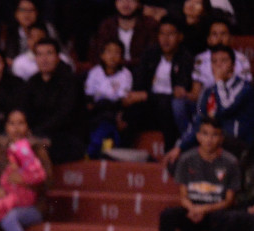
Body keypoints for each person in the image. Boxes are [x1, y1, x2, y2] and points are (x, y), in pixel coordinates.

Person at [164, 45, 254, 165]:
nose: (218, 65)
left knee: (212, 142)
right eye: (214, 61)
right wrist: (179, 147)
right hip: (213, 142)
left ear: (233, 66)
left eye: (224, 60)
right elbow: (199, 119)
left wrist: (219, 82)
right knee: (176, 161)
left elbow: (226, 107)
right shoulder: (207, 92)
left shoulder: (244, 88)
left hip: (237, 143)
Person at [159, 116, 240, 231]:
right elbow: (183, 196)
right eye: (205, 134)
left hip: (215, 213)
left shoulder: (231, 162)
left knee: (227, 219)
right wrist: (194, 209)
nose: (209, 139)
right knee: (167, 215)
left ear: (221, 138)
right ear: (198, 136)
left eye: (214, 135)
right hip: (192, 211)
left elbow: (228, 201)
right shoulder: (186, 159)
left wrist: (204, 209)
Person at [0, 109, 52, 231]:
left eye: (20, 123)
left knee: (9, 218)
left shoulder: (37, 149)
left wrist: (25, 181)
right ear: (6, 127)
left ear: (27, 126)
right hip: (5, 200)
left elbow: (48, 182)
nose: (16, 128)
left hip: (33, 206)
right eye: (12, 123)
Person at [124, 15, 195, 149]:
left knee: (165, 105)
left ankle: (169, 152)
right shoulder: (150, 53)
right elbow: (139, 85)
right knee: (131, 109)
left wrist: (146, 96)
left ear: (180, 37)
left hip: (169, 108)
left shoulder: (186, 58)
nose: (165, 39)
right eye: (162, 34)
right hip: (150, 106)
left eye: (171, 34)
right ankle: (124, 151)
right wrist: (141, 96)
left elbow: (178, 94)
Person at [20, 37, 85, 164]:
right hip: (37, 135)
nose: (44, 59)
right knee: (8, 143)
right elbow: (24, 110)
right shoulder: (32, 83)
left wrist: (37, 132)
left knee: (40, 148)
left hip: (66, 139)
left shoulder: (70, 82)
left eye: (49, 53)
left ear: (58, 57)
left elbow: (65, 115)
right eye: (39, 54)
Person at [84, 39, 133, 157]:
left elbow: (123, 100)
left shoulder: (126, 74)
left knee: (109, 116)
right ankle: (103, 146)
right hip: (97, 110)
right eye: (109, 52)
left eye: (117, 53)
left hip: (115, 110)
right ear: (102, 55)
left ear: (122, 57)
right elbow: (89, 98)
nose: (113, 56)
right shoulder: (95, 72)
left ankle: (94, 150)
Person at [189, 17, 252, 103]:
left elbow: (246, 89)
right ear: (209, 40)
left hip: (235, 103)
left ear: (231, 38)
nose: (219, 38)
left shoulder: (241, 59)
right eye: (214, 34)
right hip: (206, 103)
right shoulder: (200, 59)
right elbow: (196, 91)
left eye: (223, 34)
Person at [88, 0, 158, 67]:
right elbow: (98, 54)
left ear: (139, 3)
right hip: (111, 72)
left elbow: (151, 56)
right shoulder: (107, 25)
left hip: (141, 72)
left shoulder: (149, 24)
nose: (126, 3)